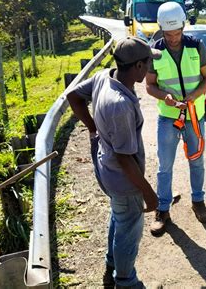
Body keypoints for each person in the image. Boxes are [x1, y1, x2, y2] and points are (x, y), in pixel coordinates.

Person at [67, 37, 160, 288]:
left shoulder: (103, 77)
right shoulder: (120, 105)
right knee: (129, 229)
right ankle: (126, 280)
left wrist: (94, 128)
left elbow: (74, 96)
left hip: (105, 167)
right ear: (139, 66)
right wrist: (148, 192)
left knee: (119, 218)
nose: (151, 65)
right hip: (122, 177)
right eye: (149, 61)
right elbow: (124, 158)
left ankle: (112, 262)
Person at [146, 1, 206, 236]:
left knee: (197, 161)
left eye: (177, 33)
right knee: (165, 166)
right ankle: (162, 209)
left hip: (195, 116)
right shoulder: (154, 51)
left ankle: (198, 201)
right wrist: (165, 97)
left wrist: (194, 96)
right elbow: (149, 86)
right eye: (168, 33)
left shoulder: (197, 47)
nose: (173, 38)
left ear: (184, 27)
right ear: (161, 29)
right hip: (168, 118)